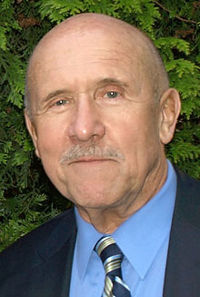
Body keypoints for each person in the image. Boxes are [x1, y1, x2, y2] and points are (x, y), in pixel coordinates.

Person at [0, 13, 200, 297]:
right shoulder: (11, 277)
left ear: (165, 116)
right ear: (34, 133)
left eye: (111, 94)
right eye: (59, 102)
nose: (83, 129)